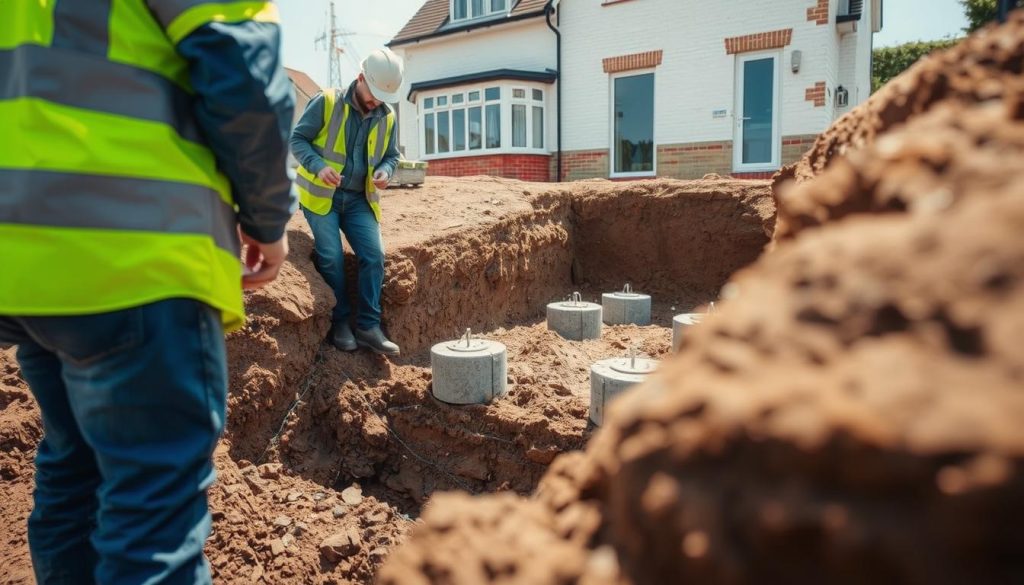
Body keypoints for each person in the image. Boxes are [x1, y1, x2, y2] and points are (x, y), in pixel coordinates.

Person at [0, 2, 295, 583]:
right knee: (152, 520)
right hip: (136, 252)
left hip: (26, 265)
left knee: (73, 471)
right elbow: (241, 66)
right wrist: (267, 220)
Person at [290, 48, 404, 356]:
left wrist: (385, 170)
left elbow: (392, 156)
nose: (376, 101)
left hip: (359, 199)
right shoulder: (326, 102)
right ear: (360, 78)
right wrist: (318, 167)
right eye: (374, 93)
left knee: (374, 255)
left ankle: (368, 326)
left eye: (383, 96)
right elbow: (297, 140)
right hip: (321, 196)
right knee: (331, 256)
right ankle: (340, 322)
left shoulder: (387, 117)